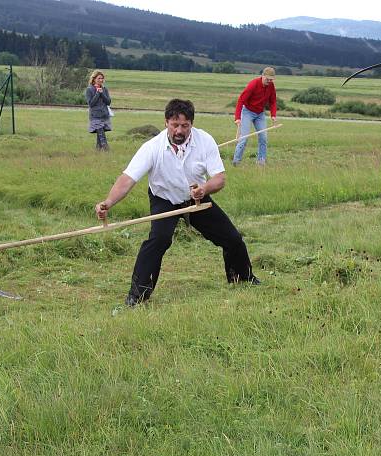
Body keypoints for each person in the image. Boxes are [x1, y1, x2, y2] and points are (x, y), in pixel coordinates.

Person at [94, 99, 260, 306]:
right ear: (166, 123)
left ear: (191, 124)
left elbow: (220, 178)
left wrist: (204, 189)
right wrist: (108, 202)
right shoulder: (151, 147)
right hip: (164, 198)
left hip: (196, 198)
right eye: (175, 125)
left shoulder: (205, 140)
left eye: (185, 125)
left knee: (233, 238)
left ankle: (242, 278)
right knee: (159, 240)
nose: (179, 131)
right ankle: (137, 295)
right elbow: (127, 179)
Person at [232, 66, 277, 166]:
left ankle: (261, 162)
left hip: (260, 113)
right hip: (248, 111)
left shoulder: (271, 86)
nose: (269, 81)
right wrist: (237, 118)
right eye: (267, 79)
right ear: (262, 76)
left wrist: (273, 115)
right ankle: (236, 161)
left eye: (271, 80)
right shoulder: (253, 84)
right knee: (244, 138)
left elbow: (273, 101)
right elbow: (241, 100)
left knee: (263, 138)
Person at [85, 69, 112, 151]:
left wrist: (102, 93)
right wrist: (97, 93)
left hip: (104, 115)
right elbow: (91, 104)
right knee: (101, 133)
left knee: (100, 134)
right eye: (99, 78)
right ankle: (106, 149)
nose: (101, 80)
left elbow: (108, 102)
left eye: (102, 78)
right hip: (95, 116)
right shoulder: (89, 89)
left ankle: (98, 150)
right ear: (94, 79)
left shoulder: (105, 89)